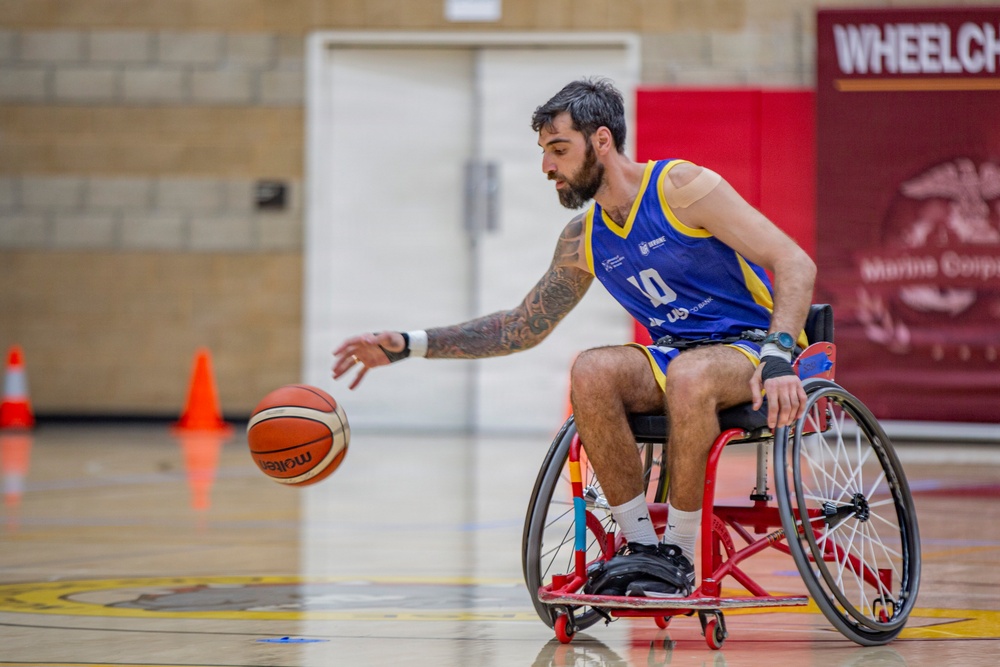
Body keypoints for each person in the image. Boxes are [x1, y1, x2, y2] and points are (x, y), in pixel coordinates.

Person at [332, 77, 816, 597]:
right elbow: (521, 326)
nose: (547, 167)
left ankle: (678, 552)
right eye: (544, 152)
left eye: (559, 149)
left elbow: (793, 261)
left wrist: (780, 354)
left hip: (755, 348)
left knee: (690, 372)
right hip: (677, 359)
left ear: (602, 141)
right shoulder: (583, 237)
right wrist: (409, 344)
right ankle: (644, 551)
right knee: (592, 368)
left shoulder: (682, 187)